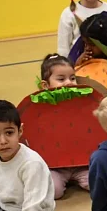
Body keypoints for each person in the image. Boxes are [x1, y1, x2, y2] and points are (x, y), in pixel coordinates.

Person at [37, 54, 90, 198]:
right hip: (55, 166)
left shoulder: (85, 104)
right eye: (61, 79)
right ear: (45, 85)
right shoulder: (37, 109)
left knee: (97, 183)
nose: (69, 83)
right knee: (54, 191)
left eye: (72, 78)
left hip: (82, 162)